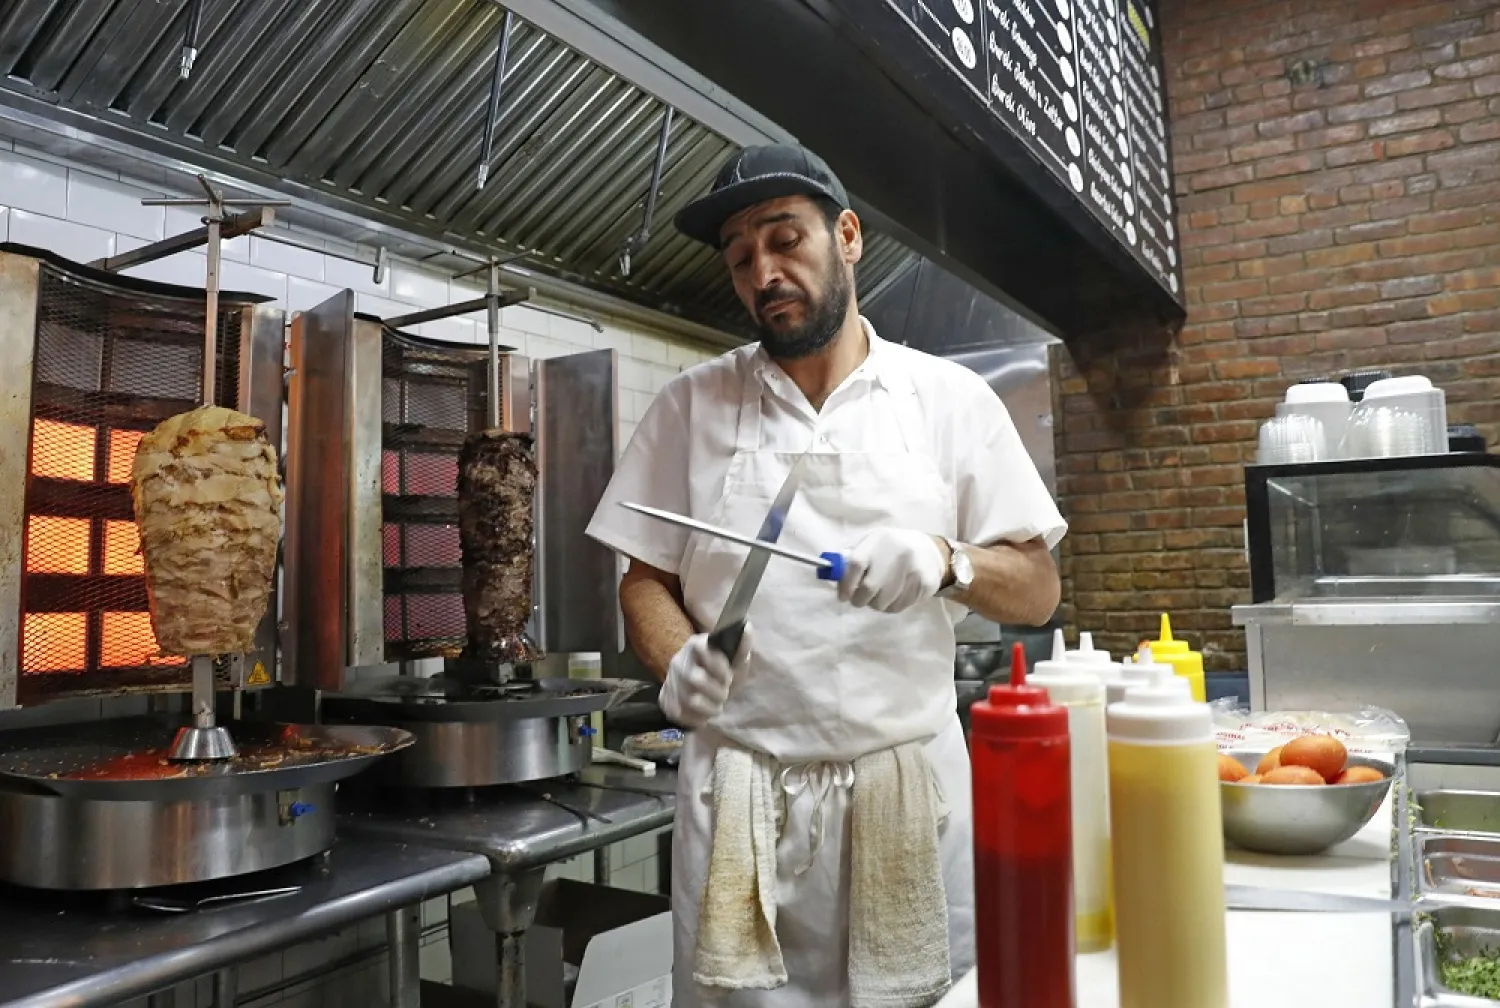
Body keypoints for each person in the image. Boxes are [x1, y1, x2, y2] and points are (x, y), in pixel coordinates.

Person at [585, 144, 1066, 1007]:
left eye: (784, 239)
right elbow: (643, 579)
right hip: (740, 806)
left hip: (908, 806)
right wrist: (677, 657)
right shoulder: (689, 406)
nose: (764, 271)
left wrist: (947, 560)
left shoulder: (948, 401)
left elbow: (1036, 586)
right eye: (740, 257)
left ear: (846, 236)